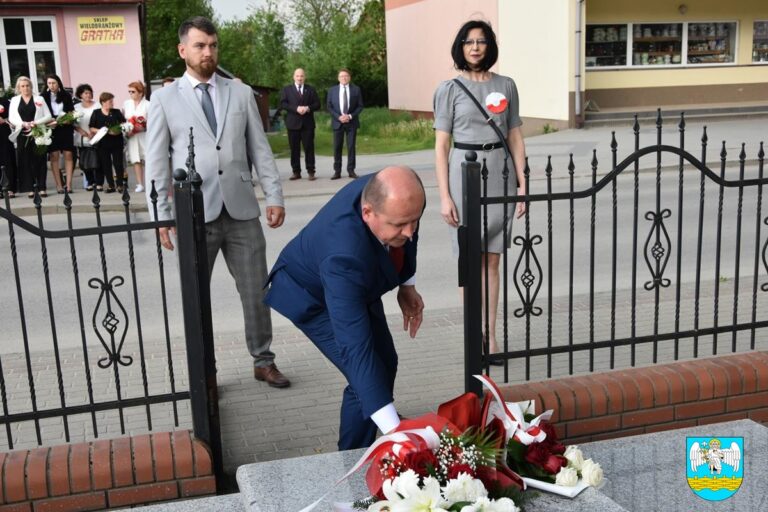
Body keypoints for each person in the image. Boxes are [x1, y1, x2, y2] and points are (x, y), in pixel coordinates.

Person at [145, 16, 289, 388]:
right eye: (199, 46)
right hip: (194, 213)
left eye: (212, 45)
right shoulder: (163, 99)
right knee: (196, 298)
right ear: (183, 50)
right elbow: (157, 162)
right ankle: (205, 372)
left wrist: (274, 194)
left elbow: (260, 149)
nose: (208, 52)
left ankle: (263, 360)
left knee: (257, 292)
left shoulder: (240, 93)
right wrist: (162, 215)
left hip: (241, 210)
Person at [265, 166, 426, 449]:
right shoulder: (343, 257)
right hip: (311, 296)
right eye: (400, 225)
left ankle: (365, 439)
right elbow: (356, 351)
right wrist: (398, 433)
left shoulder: (396, 196)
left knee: (385, 362)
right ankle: (350, 459)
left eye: (414, 220)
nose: (410, 232)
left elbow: (407, 231)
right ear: (367, 213)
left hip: (359, 282)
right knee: (367, 370)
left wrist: (407, 285)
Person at [433, 20, 527, 362]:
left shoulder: (506, 85)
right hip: (464, 173)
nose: (475, 47)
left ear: (490, 46)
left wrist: (523, 183)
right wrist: (445, 196)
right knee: (469, 261)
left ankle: (491, 335)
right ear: (461, 47)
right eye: (469, 41)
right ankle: (474, 335)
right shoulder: (449, 89)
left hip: (500, 171)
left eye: (481, 41)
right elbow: (441, 146)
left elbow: (515, 136)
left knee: (493, 260)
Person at [8, 76, 52, 197]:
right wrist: (22, 123)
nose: (25, 88)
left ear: (31, 86)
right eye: (22, 86)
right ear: (19, 88)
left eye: (27, 85)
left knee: (40, 159)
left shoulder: (39, 99)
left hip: (38, 132)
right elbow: (11, 117)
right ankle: (29, 188)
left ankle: (42, 187)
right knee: (25, 160)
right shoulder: (15, 100)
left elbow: (48, 116)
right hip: (22, 133)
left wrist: (35, 123)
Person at [279, 68, 320, 181]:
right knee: (294, 149)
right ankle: (296, 172)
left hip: (308, 124)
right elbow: (283, 104)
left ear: (304, 77)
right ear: (294, 77)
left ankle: (311, 171)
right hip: (293, 124)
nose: (299, 78)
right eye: (297, 76)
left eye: (301, 76)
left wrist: (307, 108)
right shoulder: (287, 90)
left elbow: (317, 104)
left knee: (309, 148)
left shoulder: (310, 89)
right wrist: (296, 108)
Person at [327, 68, 363, 180]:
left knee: (351, 147)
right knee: (337, 147)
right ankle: (337, 171)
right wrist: (339, 117)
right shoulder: (332, 90)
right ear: (338, 78)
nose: (344, 78)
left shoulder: (356, 90)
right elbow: (329, 106)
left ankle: (351, 170)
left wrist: (350, 116)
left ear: (349, 77)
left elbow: (360, 106)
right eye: (342, 76)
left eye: (346, 76)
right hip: (338, 122)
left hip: (351, 123)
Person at [43, 74, 76, 193]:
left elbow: (71, 112)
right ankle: (59, 185)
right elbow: (41, 114)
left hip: (65, 127)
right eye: (49, 83)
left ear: (58, 83)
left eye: (54, 83)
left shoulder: (66, 95)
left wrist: (68, 119)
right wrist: (48, 122)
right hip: (52, 128)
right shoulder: (43, 97)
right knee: (54, 155)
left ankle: (69, 184)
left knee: (68, 154)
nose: (51, 85)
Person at [89, 92, 125, 193]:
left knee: (118, 163)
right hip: (103, 143)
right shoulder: (96, 113)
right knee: (106, 164)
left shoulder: (116, 112)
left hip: (117, 141)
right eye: (110, 101)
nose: (112, 103)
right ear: (103, 102)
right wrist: (103, 131)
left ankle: (120, 184)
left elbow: (123, 124)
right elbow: (91, 127)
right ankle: (111, 185)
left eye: (112, 101)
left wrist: (118, 130)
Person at [123, 81, 149, 193]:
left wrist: (142, 127)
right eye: (129, 92)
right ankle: (140, 184)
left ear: (140, 92)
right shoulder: (126, 104)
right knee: (135, 159)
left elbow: (151, 121)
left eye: (133, 92)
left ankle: (150, 182)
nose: (130, 94)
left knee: (148, 159)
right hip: (132, 137)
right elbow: (124, 120)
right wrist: (127, 130)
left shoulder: (148, 104)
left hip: (144, 135)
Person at [73, 84, 100, 191]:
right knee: (85, 162)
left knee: (97, 160)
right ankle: (90, 182)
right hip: (82, 137)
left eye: (90, 93)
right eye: (86, 93)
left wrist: (94, 133)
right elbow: (73, 123)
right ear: (80, 95)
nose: (88, 95)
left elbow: (101, 120)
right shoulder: (76, 107)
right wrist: (82, 132)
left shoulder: (97, 105)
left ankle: (98, 182)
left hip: (96, 136)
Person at [0, 94, 18, 197]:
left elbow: (13, 116)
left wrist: (4, 120)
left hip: (4, 134)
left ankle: (10, 187)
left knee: (7, 159)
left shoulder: (5, 101)